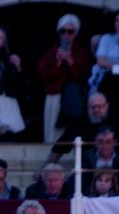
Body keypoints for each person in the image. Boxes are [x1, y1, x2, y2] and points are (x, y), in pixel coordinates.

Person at [37, 13, 87, 144]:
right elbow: (42, 75)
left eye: (70, 31)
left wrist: (70, 60)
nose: (66, 35)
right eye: (63, 31)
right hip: (54, 96)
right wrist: (58, 63)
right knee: (52, 133)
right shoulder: (51, 52)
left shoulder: (81, 52)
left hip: (72, 98)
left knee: (70, 132)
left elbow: (83, 75)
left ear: (75, 33)